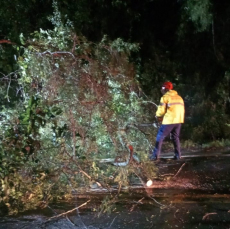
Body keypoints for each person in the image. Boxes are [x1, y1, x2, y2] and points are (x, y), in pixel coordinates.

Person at [150, 81, 185, 160]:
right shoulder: (179, 97)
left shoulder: (165, 97)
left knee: (160, 136)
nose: (161, 90)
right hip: (178, 120)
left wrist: (157, 116)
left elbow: (161, 111)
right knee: (175, 137)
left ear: (165, 88)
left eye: (162, 88)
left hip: (169, 120)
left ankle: (155, 156)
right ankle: (178, 155)